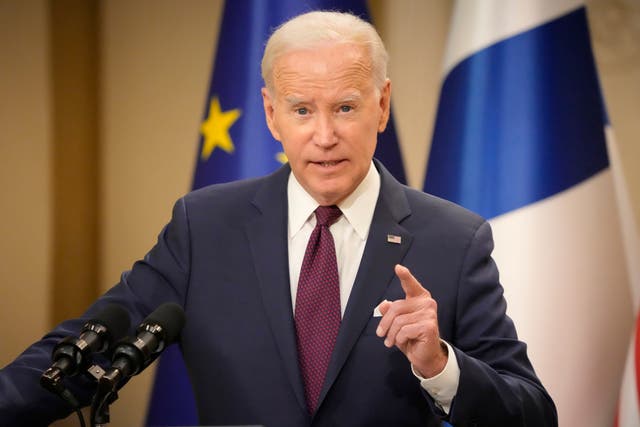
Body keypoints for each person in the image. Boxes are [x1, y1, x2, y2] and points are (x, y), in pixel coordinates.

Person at [0, 10, 557, 427]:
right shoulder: (205, 228)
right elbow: (85, 347)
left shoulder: (453, 240)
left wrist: (440, 366)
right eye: (301, 110)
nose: (324, 136)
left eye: (345, 107)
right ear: (271, 114)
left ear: (382, 105)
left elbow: (532, 413)